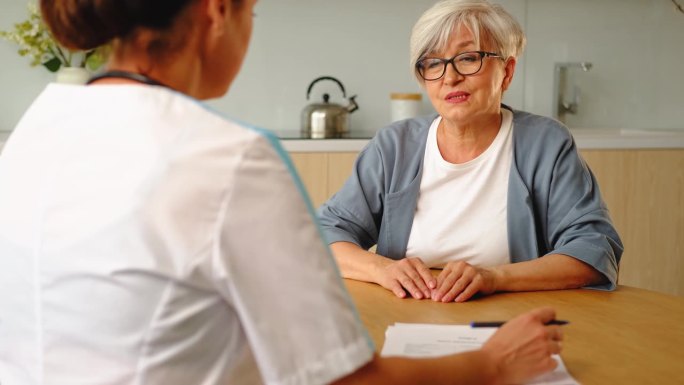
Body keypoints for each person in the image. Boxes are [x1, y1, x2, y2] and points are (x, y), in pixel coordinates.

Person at [0, 0, 563, 384]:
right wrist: (489, 365)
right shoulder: (231, 158)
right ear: (217, 11)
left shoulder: (36, 129)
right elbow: (339, 379)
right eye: (251, 10)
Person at [319, 0, 623, 303]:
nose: (449, 77)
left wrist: (495, 277)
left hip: (511, 320)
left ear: (506, 71)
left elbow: (593, 249)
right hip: (406, 318)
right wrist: (380, 268)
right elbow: (325, 233)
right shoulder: (393, 147)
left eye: (467, 58)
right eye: (434, 63)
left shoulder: (546, 144)